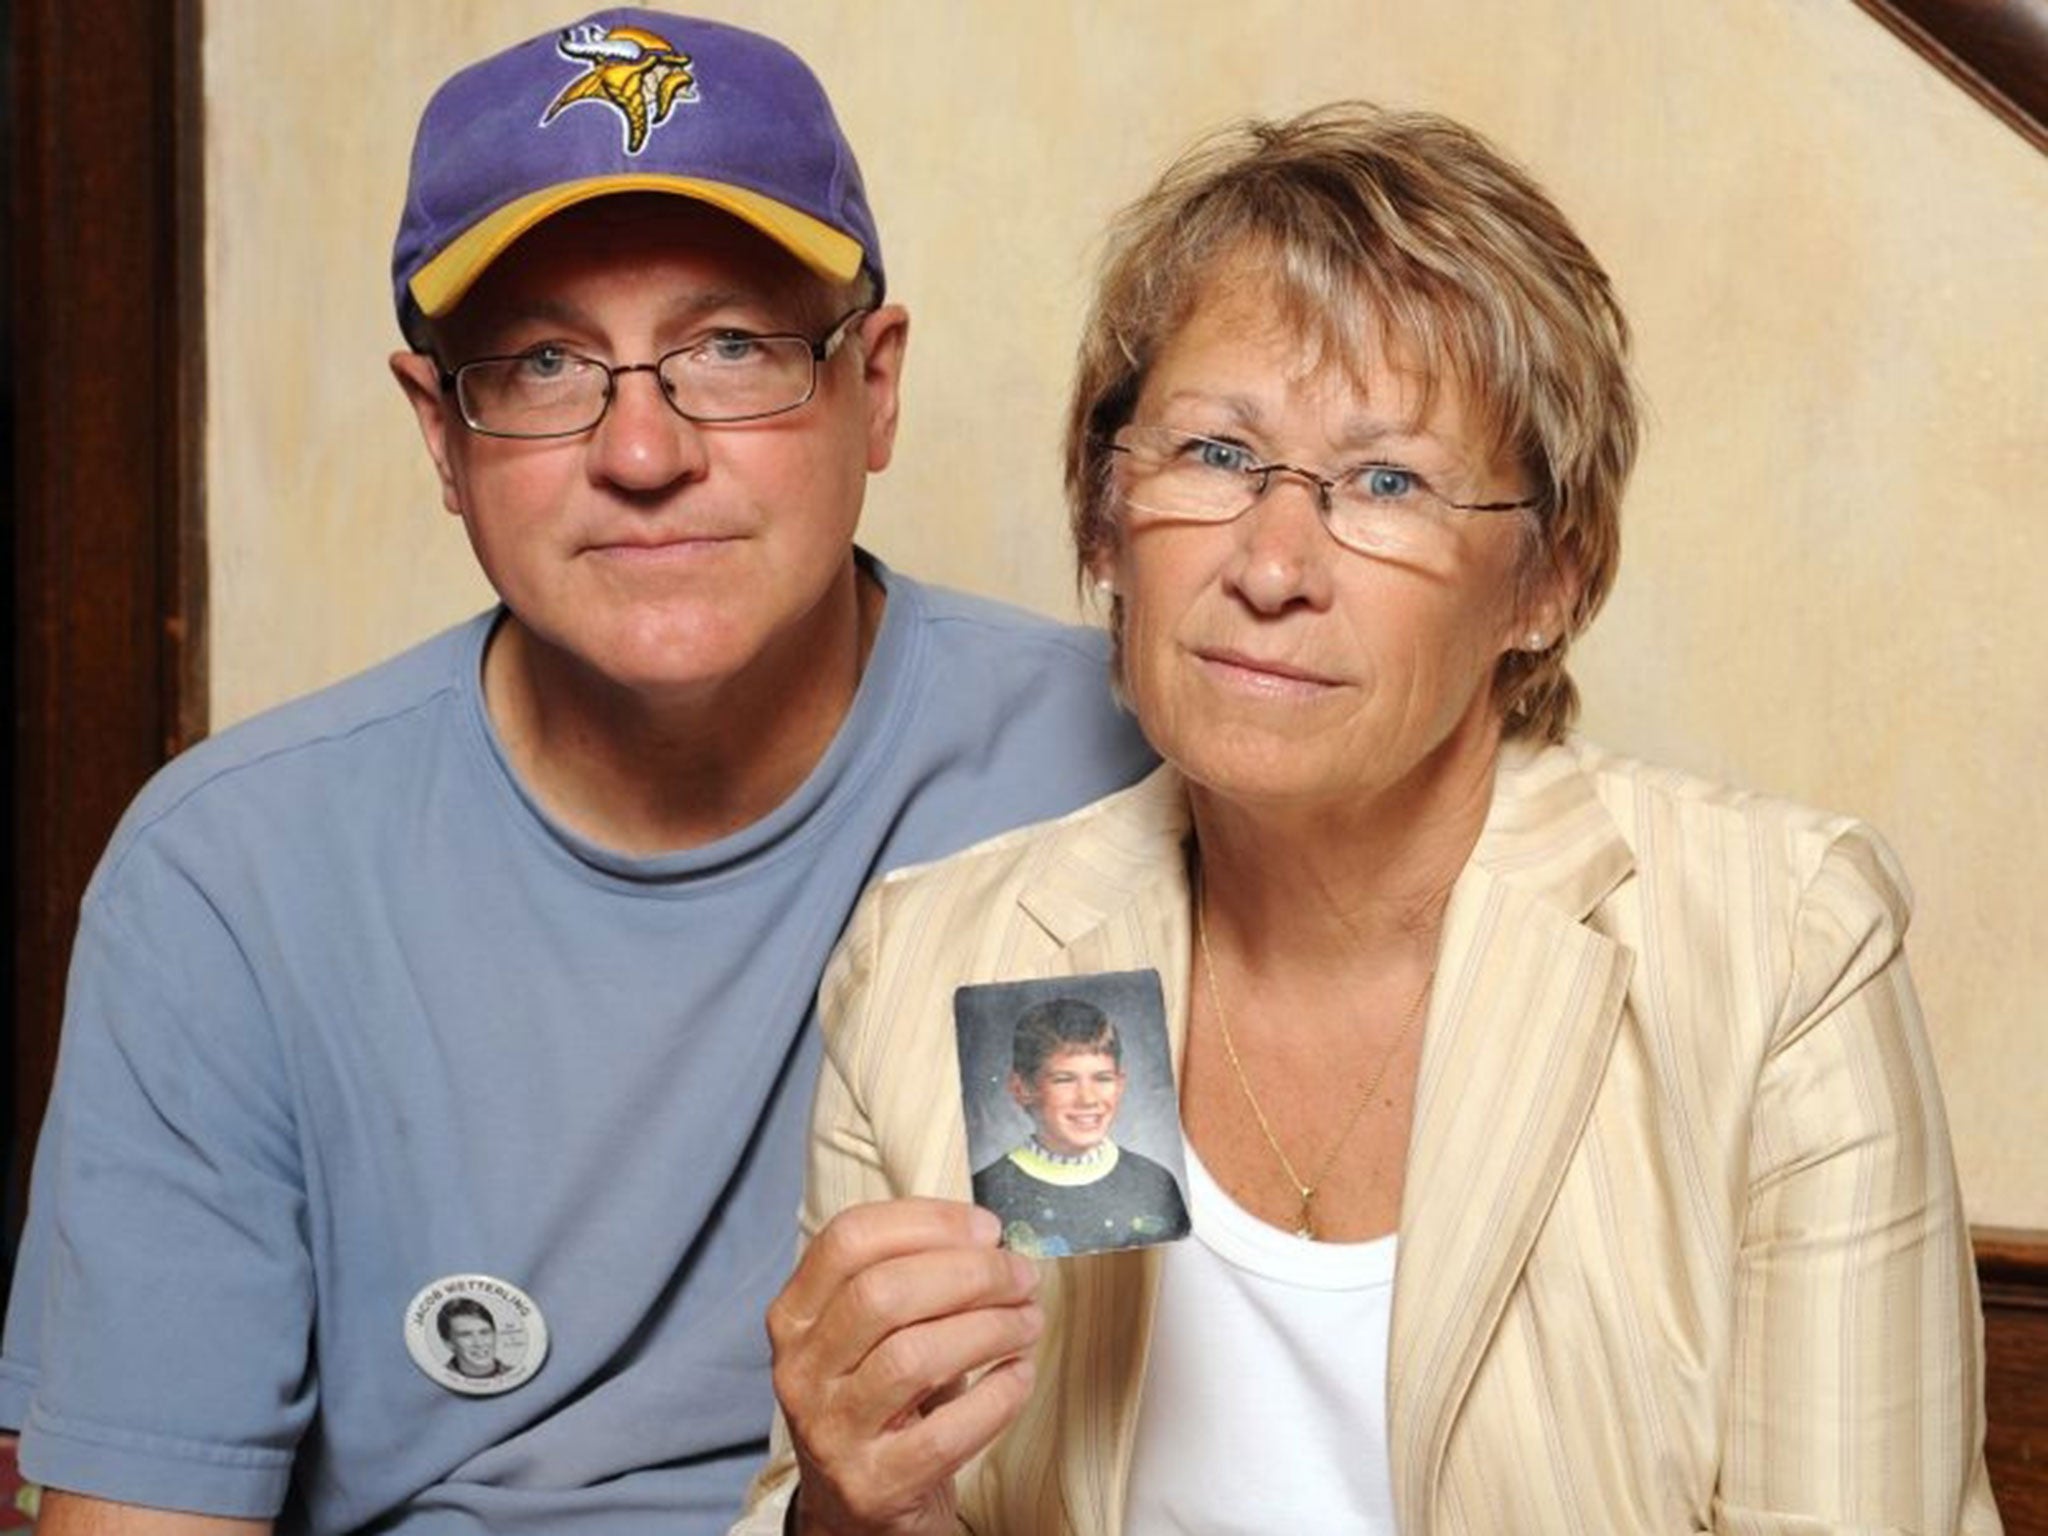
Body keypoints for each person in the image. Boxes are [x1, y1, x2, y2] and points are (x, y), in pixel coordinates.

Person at [742, 104, 2002, 1534]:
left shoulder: (1782, 949)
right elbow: (840, 1508)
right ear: (1106, 518)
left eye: (1388, 481)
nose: (1273, 564)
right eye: (1214, 455)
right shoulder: (938, 957)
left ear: (1550, 583)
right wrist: (838, 1512)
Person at [0, 11, 1150, 1535]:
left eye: (731, 346)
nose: (645, 448)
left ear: (873, 388)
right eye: (546, 364)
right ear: (440, 434)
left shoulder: (1120, 757)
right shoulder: (231, 879)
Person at [970, 997, 1189, 1258]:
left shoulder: (1156, 1183)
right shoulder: (987, 1194)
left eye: (1102, 1078)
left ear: (1120, 1085)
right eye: (1064, 1080)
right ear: (1022, 1089)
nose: (1087, 1098)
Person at [437, 1299, 506, 1381]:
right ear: (448, 1343)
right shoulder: (439, 1380)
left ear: (494, 1334)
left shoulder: (514, 1373)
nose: (479, 1343)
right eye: (466, 1335)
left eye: (484, 1332)